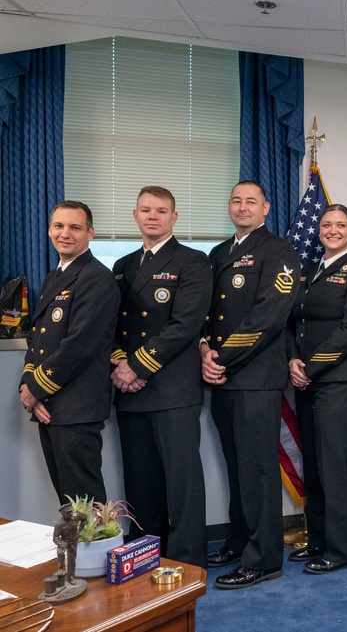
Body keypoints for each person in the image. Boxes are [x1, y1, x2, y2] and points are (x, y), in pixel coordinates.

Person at [201, 181, 300, 589]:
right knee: (236, 466)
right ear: (229, 207)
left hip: (256, 378)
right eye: (237, 201)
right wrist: (204, 350)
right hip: (223, 377)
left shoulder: (280, 252)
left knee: (258, 469)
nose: (243, 208)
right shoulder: (219, 253)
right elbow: (206, 313)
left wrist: (220, 358)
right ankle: (241, 540)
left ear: (266, 207)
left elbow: (269, 317)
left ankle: (264, 560)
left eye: (251, 202)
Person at [111, 186, 212, 568]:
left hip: (173, 388)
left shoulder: (193, 262)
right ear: (135, 215)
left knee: (182, 482)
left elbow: (184, 326)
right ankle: (146, 554)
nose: (153, 216)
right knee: (140, 483)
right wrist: (121, 365)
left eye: (162, 210)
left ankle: (187, 561)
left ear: (174, 218)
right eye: (146, 210)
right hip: (131, 391)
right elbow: (112, 327)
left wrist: (135, 366)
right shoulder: (122, 265)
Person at [286, 204, 347, 575]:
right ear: (318, 230)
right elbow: (293, 324)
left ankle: (341, 550)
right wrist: (293, 359)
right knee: (315, 464)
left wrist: (310, 366)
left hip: (339, 380)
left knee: (334, 465)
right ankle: (318, 538)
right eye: (327, 225)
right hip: (306, 379)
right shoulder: (307, 273)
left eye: (340, 225)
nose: (333, 230)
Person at [20, 201, 119, 505]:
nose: (65, 234)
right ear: (49, 230)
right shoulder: (55, 276)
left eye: (75, 227)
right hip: (51, 406)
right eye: (59, 226)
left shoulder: (96, 277)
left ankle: (97, 554)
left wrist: (35, 389)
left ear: (90, 233)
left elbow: (79, 346)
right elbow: (38, 339)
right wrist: (28, 386)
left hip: (77, 408)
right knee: (69, 502)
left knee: (85, 503)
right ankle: (76, 555)